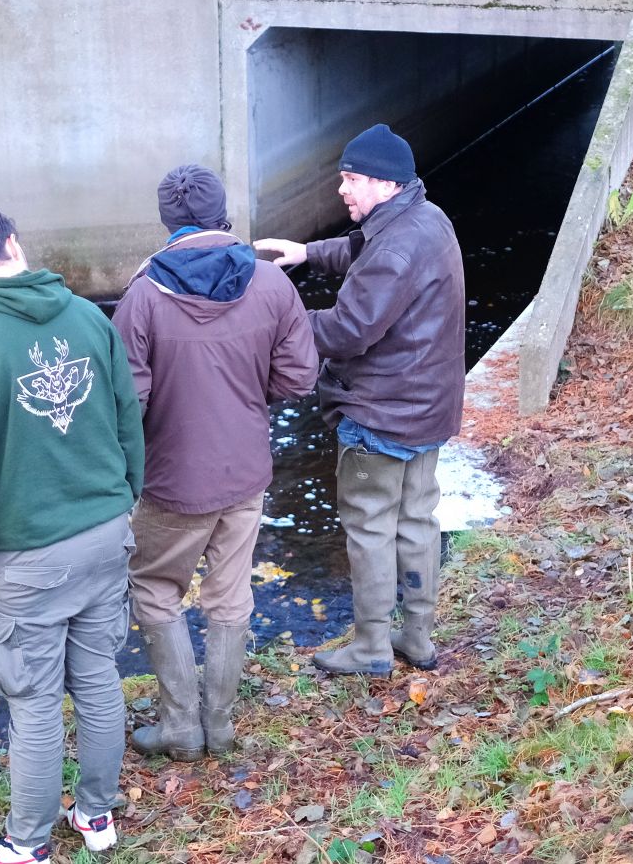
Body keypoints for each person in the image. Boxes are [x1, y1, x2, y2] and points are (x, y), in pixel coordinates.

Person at [0, 209, 146, 864]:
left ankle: (26, 846)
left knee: (36, 702)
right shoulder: (87, 318)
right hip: (105, 531)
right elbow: (127, 417)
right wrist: (125, 495)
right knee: (99, 675)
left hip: (25, 554)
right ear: (14, 244)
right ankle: (97, 815)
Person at [111, 165, 317, 760]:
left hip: (171, 480)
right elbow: (300, 375)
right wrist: (251, 399)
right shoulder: (273, 285)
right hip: (245, 472)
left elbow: (129, 400)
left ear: (167, 221)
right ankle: (220, 724)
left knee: (155, 590)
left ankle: (180, 726)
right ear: (223, 213)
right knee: (230, 595)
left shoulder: (143, 295)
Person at [255, 124, 466, 677]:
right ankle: (417, 637)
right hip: (426, 409)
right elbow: (362, 252)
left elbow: (347, 330)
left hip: (382, 414)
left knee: (369, 527)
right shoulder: (426, 218)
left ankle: (372, 646)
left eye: (351, 179)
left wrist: (271, 322)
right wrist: (306, 253)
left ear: (385, 182)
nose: (341, 190)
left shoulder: (394, 247)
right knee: (417, 518)